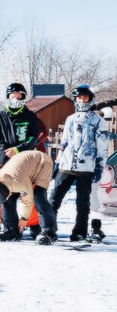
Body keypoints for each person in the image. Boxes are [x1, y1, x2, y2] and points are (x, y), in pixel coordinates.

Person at [50, 85, 105, 242]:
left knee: (82, 202)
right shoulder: (70, 119)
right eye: (78, 98)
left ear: (90, 98)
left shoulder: (98, 121)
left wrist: (99, 166)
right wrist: (58, 162)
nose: (81, 101)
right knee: (54, 198)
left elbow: (102, 146)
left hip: (86, 166)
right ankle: (48, 229)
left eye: (84, 97)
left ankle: (79, 232)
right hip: (66, 165)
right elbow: (65, 142)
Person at [0, 146, 57, 243]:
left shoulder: (19, 183)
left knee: (39, 196)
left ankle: (49, 232)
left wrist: (24, 219)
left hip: (42, 162)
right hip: (23, 167)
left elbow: (28, 201)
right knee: (8, 201)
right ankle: (11, 231)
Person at [0, 84, 44, 168]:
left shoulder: (31, 116)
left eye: (18, 97)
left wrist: (18, 149)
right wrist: (6, 149)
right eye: (12, 97)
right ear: (8, 97)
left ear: (23, 97)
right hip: (3, 160)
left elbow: (33, 137)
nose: (15, 100)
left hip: (24, 159)